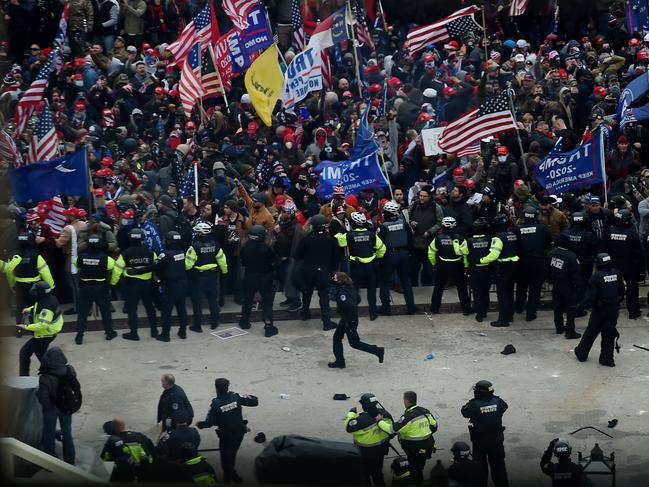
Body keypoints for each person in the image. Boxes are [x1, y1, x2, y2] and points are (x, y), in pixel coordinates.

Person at [196, 378, 259, 483]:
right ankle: (230, 479)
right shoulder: (235, 397)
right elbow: (254, 401)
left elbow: (209, 423)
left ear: (217, 389)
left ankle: (235, 480)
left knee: (226, 464)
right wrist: (241, 396)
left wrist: (200, 424)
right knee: (231, 457)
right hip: (239, 434)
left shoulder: (216, 404)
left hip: (226, 437)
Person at [574, 253, 625, 367]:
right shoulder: (617, 273)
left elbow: (590, 298)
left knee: (591, 332)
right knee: (609, 334)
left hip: (600, 310)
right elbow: (622, 291)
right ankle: (607, 359)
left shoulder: (596, 277)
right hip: (613, 310)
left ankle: (581, 353)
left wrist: (579, 308)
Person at [334, 212, 385, 321]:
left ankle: (353, 312)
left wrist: (340, 231)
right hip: (370, 267)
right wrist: (376, 257)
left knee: (352, 290)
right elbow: (382, 249)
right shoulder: (372, 235)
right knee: (371, 290)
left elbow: (338, 240)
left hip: (356, 267)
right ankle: (373, 313)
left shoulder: (349, 235)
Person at [328, 272, 385, 369]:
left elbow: (349, 305)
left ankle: (377, 351)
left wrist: (348, 319)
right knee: (338, 339)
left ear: (340, 281)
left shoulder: (342, 292)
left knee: (354, 343)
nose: (334, 280)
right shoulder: (350, 287)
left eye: (335, 279)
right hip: (349, 320)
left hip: (348, 321)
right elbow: (358, 299)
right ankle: (340, 361)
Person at [293, 214, 338, 330]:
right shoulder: (331, 239)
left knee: (307, 293)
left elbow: (297, 255)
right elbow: (335, 258)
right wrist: (333, 271)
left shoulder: (307, 239)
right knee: (324, 296)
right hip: (324, 271)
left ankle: (305, 313)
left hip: (308, 271)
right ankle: (326, 322)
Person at [461, 381, 509, 487]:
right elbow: (504, 407)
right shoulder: (498, 402)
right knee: (499, 466)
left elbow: (464, 413)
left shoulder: (474, 404)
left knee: (479, 467)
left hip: (480, 441)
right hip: (496, 440)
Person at [1, 232, 55, 325]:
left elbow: (9, 272)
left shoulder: (14, 257)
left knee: (19, 309)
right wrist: (51, 286)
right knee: (33, 308)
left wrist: (13, 284)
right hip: (34, 287)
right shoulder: (36, 256)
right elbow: (46, 273)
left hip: (19, 286)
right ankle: (33, 327)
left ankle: (19, 328)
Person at [114, 228, 159, 340]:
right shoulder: (150, 252)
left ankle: (134, 333)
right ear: (142, 239)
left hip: (131, 285)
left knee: (132, 310)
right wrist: (156, 280)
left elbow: (117, 270)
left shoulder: (125, 254)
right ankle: (154, 331)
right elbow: (156, 267)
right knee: (150, 309)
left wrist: (113, 284)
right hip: (147, 285)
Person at [74, 235, 119, 344]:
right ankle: (109, 332)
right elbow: (115, 270)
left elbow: (77, 267)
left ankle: (79, 336)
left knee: (82, 312)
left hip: (85, 287)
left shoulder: (80, 258)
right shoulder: (106, 259)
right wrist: (112, 284)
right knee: (106, 311)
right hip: (101, 288)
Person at [387, 391, 437, 485]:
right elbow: (434, 426)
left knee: (414, 468)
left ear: (407, 401)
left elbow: (392, 429)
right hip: (427, 447)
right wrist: (424, 434)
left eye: (404, 399)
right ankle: (419, 479)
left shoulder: (408, 417)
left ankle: (414, 481)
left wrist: (380, 421)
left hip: (414, 450)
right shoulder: (425, 411)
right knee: (420, 466)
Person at [185, 221, 228, 331]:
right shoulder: (216, 245)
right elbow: (222, 261)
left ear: (199, 233)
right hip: (212, 276)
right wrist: (224, 272)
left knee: (197, 302)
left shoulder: (194, 247)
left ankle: (197, 326)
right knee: (212, 300)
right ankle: (214, 322)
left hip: (198, 278)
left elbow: (188, 265)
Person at [37, 347, 77, 465]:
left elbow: (43, 397)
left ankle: (50, 462)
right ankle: (70, 460)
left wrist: (48, 407)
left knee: (48, 434)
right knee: (67, 433)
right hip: (66, 406)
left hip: (51, 408)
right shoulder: (70, 370)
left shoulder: (44, 377)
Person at [376, 200, 417, 316]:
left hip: (389, 256)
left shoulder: (383, 227)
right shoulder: (404, 224)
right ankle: (411, 307)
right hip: (404, 254)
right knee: (406, 281)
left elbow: (378, 243)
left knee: (384, 282)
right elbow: (410, 239)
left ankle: (386, 308)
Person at [602, 209, 644, 319]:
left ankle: (611, 311)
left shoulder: (609, 231)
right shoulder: (632, 233)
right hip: (629, 265)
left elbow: (604, 248)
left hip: (613, 264)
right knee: (632, 288)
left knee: (612, 288)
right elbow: (639, 253)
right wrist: (641, 268)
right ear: (626, 221)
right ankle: (633, 311)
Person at [344, 393, 394, 486]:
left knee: (364, 475)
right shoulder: (385, 414)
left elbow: (348, 427)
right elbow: (392, 431)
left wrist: (351, 413)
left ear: (363, 405)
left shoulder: (361, 420)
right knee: (378, 474)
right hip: (381, 451)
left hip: (364, 454)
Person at [238, 225, 278, 337]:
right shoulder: (267, 248)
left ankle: (244, 321)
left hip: (250, 276)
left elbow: (243, 262)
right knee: (267, 301)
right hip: (265, 277)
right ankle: (269, 325)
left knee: (247, 300)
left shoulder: (246, 248)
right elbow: (272, 263)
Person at [18, 282, 64, 376]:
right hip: (46, 333)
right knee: (42, 355)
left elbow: (43, 325)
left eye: (36, 291)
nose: (33, 292)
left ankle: (24, 378)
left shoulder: (47, 307)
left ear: (42, 293)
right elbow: (38, 308)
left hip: (45, 334)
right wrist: (29, 309)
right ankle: (53, 374)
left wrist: (27, 327)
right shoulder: (49, 298)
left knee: (24, 353)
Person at [428, 216, 472, 315]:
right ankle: (466, 309)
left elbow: (431, 253)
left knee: (438, 288)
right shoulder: (461, 239)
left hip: (442, 265)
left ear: (442, 227)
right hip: (457, 265)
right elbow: (465, 254)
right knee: (462, 288)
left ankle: (434, 308)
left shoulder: (437, 239)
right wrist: (466, 266)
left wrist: (434, 264)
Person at [481, 215, 519, 327]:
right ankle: (510, 316)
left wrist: (481, 260)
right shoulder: (512, 235)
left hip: (503, 267)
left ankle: (503, 320)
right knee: (510, 292)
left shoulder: (497, 238)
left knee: (502, 294)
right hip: (513, 265)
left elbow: (494, 255)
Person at [514, 208, 551, 322]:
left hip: (522, 261)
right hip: (538, 261)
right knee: (535, 288)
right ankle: (531, 313)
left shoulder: (517, 229)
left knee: (521, 286)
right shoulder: (542, 228)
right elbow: (548, 241)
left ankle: (519, 307)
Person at [154, 231, 189, 341]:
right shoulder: (181, 252)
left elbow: (156, 268)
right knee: (181, 309)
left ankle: (165, 335)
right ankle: (183, 332)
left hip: (169, 286)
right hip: (182, 284)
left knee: (166, 312)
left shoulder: (164, 255)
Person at [546, 234, 582, 339]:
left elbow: (547, 270)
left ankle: (559, 327)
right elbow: (577, 273)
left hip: (556, 284)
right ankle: (570, 331)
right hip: (569, 286)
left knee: (557, 307)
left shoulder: (551, 254)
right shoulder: (571, 256)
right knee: (571, 308)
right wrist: (579, 287)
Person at [467, 217, 493, 323]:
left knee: (477, 291)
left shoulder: (469, 241)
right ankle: (484, 311)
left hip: (475, 269)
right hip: (487, 269)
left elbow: (463, 253)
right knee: (485, 291)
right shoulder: (490, 240)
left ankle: (479, 313)